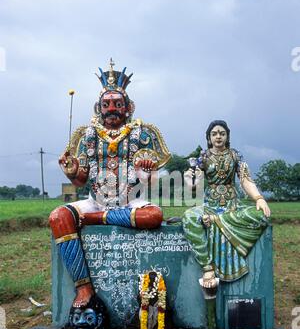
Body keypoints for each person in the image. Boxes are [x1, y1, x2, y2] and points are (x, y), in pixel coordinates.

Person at [49, 59, 170, 309]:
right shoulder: (88, 136)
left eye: (117, 104)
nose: (112, 108)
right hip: (96, 201)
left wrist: (146, 171)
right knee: (58, 217)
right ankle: (84, 288)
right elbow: (81, 179)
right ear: (98, 108)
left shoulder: (141, 134)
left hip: (131, 202)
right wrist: (71, 172)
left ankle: (98, 218)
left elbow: (151, 180)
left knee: (155, 215)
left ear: (128, 107)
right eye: (107, 104)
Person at [182, 120, 271, 289]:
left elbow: (245, 180)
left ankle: (216, 220)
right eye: (214, 133)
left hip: (233, 207)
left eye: (222, 133)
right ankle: (207, 267)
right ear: (209, 138)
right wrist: (191, 181)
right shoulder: (203, 158)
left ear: (227, 136)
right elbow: (195, 185)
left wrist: (259, 198)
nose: (218, 136)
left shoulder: (235, 156)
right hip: (210, 205)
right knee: (188, 217)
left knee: (262, 214)